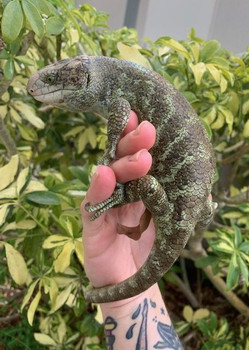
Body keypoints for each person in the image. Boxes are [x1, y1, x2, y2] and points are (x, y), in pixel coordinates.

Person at [81, 111, 184, 349]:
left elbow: (120, 107)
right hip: (180, 204)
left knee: (145, 182)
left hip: (173, 204)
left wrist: (123, 195)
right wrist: (125, 304)